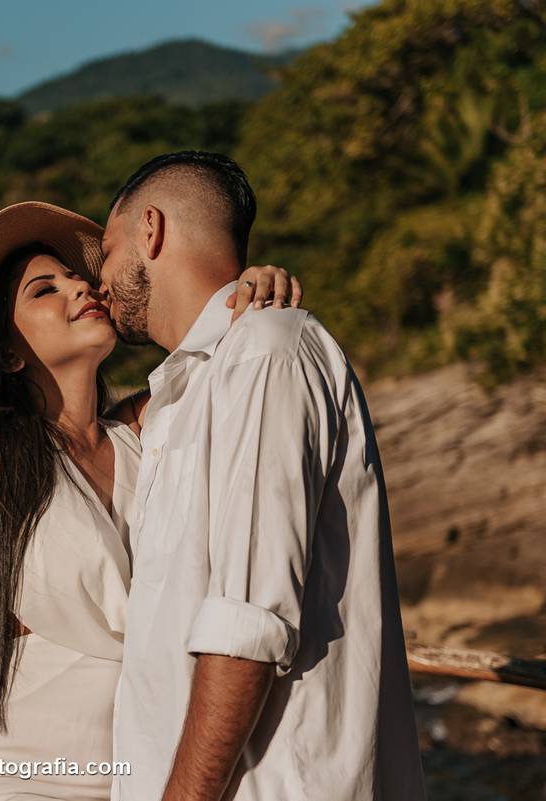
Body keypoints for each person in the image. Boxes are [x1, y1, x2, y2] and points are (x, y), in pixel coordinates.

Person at [0, 201, 300, 801]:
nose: (80, 288)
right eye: (45, 290)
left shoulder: (153, 429)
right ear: (10, 352)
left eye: (79, 278)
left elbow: (224, 357)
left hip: (136, 773)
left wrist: (249, 293)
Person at [100, 151, 425, 800]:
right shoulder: (176, 400)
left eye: (105, 252)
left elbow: (245, 624)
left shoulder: (267, 351)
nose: (99, 280)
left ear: (151, 229)